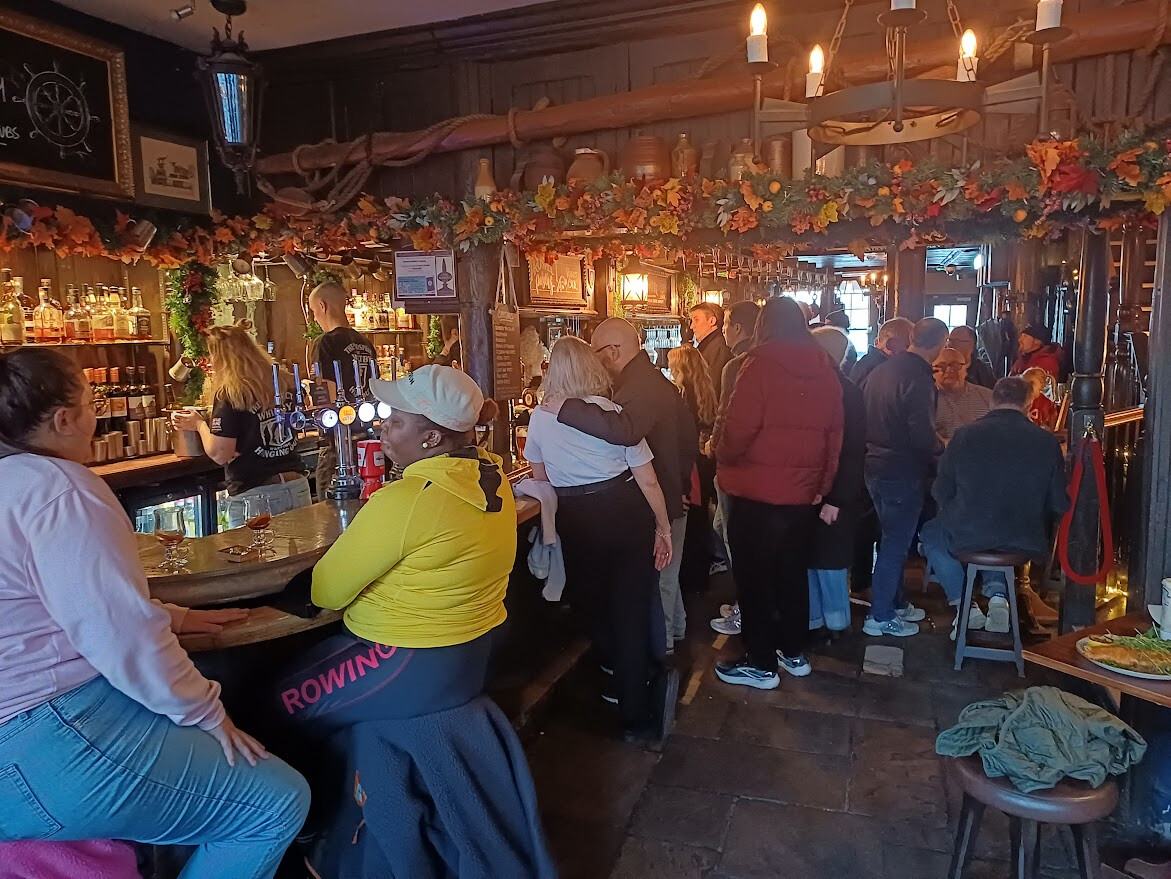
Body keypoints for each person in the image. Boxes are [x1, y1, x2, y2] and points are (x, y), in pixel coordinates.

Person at [0, 347, 309, 879]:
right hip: (44, 736)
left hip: (25, 742)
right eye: (92, 404)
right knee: (274, 805)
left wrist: (171, 615)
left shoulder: (14, 484)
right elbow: (118, 631)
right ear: (63, 420)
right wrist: (207, 713)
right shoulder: (58, 488)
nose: (97, 417)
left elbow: (49, 603)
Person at [528, 338, 677, 743]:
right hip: (625, 513)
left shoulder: (540, 418)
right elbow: (648, 480)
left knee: (593, 605)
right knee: (630, 611)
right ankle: (634, 716)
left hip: (576, 518)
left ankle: (614, 672)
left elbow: (541, 479)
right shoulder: (611, 413)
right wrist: (663, 527)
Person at [713, 297, 843, 687]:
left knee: (754, 580)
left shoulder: (757, 364)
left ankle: (761, 663)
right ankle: (793, 652)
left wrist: (720, 452)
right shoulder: (825, 367)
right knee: (792, 575)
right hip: (801, 495)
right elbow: (834, 437)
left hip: (754, 492)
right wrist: (823, 486)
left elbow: (738, 428)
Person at [553, 318, 698, 652]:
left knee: (659, 579)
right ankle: (675, 634)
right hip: (666, 494)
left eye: (596, 352)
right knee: (667, 575)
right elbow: (688, 439)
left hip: (659, 498)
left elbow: (626, 431)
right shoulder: (645, 380)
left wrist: (566, 408)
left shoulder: (642, 385)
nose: (594, 360)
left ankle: (662, 653)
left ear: (614, 351)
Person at [920, 377, 1068, 637]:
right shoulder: (1046, 442)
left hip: (971, 533)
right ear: (1027, 404)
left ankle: (965, 605)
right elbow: (1058, 502)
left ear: (992, 400)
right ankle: (998, 596)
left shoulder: (964, 436)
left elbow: (941, 492)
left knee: (932, 533)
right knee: (995, 531)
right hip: (1025, 538)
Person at [859, 316, 949, 638]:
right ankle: (880, 615)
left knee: (890, 539)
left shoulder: (882, 370)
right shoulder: (919, 378)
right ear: (941, 344)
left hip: (874, 464)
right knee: (895, 544)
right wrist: (944, 445)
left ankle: (895, 604)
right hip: (901, 469)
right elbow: (922, 437)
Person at [172, 322, 310, 528]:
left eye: (211, 356)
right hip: (298, 486)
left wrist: (199, 424)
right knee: (302, 549)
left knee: (258, 550)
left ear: (221, 358)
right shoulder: (284, 381)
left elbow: (220, 453)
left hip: (257, 495)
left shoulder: (231, 392)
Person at [807, 327, 866, 636]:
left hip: (828, 491)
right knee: (820, 557)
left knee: (826, 559)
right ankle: (825, 622)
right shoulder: (843, 388)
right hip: (826, 490)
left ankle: (830, 623)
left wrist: (836, 498)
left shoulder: (842, 391)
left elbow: (852, 450)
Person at [710, 300, 761, 636]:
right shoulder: (774, 362)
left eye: (726, 323)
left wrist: (715, 448)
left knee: (735, 537)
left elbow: (726, 417)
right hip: (763, 469)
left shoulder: (738, 365)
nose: (724, 331)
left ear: (738, 328)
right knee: (722, 528)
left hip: (737, 468)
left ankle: (748, 608)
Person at [308, 281, 378, 500]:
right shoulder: (365, 343)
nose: (315, 318)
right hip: (366, 440)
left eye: (313, 311)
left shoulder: (325, 343)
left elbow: (325, 395)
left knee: (331, 510)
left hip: (337, 445)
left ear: (322, 306)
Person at [668, 343, 720, 626]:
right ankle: (699, 579)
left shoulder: (681, 393)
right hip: (705, 460)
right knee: (700, 521)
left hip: (691, 464)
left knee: (691, 524)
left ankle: (690, 581)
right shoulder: (705, 388)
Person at [933, 347, 993, 444]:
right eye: (941, 366)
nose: (949, 370)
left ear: (966, 369)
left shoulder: (988, 397)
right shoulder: (926, 400)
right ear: (932, 370)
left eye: (955, 365)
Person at [851, 316, 913, 387]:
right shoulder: (886, 371)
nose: (911, 351)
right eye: (907, 346)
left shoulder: (864, 362)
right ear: (891, 344)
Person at [689, 302, 734, 398]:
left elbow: (713, 389)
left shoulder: (719, 348)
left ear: (712, 321)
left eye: (696, 320)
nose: (692, 326)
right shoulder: (709, 346)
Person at [948, 325, 996, 389]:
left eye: (955, 341)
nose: (949, 345)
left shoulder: (982, 369)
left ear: (971, 344)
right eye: (949, 340)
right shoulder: (942, 367)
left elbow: (991, 391)